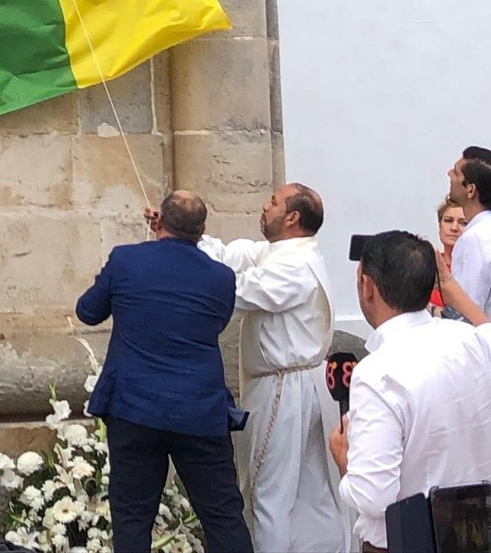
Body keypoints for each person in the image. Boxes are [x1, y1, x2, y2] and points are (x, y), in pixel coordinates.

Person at [76, 190, 253, 553]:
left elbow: (87, 311)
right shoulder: (221, 277)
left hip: (135, 407)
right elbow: (215, 323)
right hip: (199, 410)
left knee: (132, 518)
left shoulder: (126, 260)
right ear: (202, 230)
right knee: (222, 516)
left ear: (160, 222)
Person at [194, 183, 347, 552]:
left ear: (292, 217)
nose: (265, 206)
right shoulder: (283, 253)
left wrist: (183, 267)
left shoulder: (295, 266)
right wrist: (190, 238)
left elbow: (237, 290)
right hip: (298, 385)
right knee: (310, 492)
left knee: (268, 495)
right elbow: (233, 256)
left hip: (284, 388)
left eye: (274, 202)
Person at [329, 231, 491, 551]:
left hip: (408, 540)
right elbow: (484, 327)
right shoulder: (472, 341)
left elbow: (374, 497)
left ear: (367, 287)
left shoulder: (378, 373)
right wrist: (452, 290)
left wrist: (344, 461)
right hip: (475, 532)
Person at [442, 145, 491, 317]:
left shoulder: (474, 239)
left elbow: (465, 313)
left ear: (470, 190)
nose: (449, 174)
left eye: (456, 172)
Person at [428, 197, 468, 313]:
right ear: (440, 225)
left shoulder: (476, 267)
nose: (454, 228)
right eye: (448, 220)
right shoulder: (426, 263)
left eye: (463, 223)